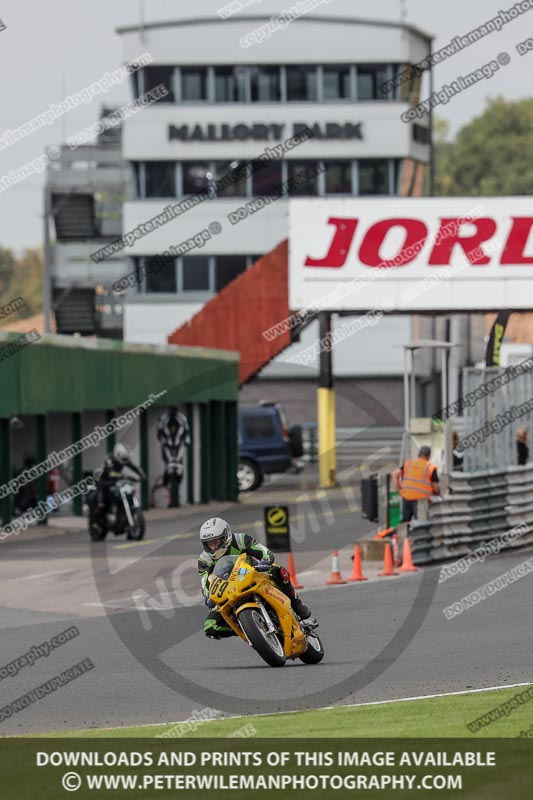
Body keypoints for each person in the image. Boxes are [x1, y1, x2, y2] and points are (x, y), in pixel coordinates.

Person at [197, 517, 312, 639]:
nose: (213, 548)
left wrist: (266, 560)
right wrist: (208, 596)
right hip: (228, 591)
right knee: (210, 626)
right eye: (209, 544)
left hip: (253, 575)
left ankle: (297, 606)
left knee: (278, 571)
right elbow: (205, 583)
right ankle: (248, 629)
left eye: (216, 542)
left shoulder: (240, 539)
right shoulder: (204, 560)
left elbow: (263, 551)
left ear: (226, 536)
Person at [95, 443, 145, 521]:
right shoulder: (109, 460)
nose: (125, 461)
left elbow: (133, 466)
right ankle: (99, 508)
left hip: (114, 481)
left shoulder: (123, 459)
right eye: (124, 459)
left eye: (125, 459)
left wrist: (142, 474)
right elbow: (111, 473)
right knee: (102, 496)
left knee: (124, 492)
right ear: (118, 455)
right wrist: (126, 476)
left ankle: (121, 512)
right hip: (104, 480)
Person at [392, 445, 440, 523]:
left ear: (419, 454)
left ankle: (402, 534)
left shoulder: (408, 463)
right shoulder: (430, 467)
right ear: (429, 456)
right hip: (421, 499)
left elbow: (394, 474)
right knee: (419, 522)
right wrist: (438, 494)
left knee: (405, 521)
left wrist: (399, 489)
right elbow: (435, 488)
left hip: (406, 496)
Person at [157, 406, 191, 486]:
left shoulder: (182, 418)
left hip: (179, 445)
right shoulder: (164, 418)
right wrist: (163, 440)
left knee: (178, 465)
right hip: (167, 445)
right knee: (169, 465)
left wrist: (186, 440)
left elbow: (186, 431)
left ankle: (177, 481)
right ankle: (166, 483)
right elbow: (159, 432)